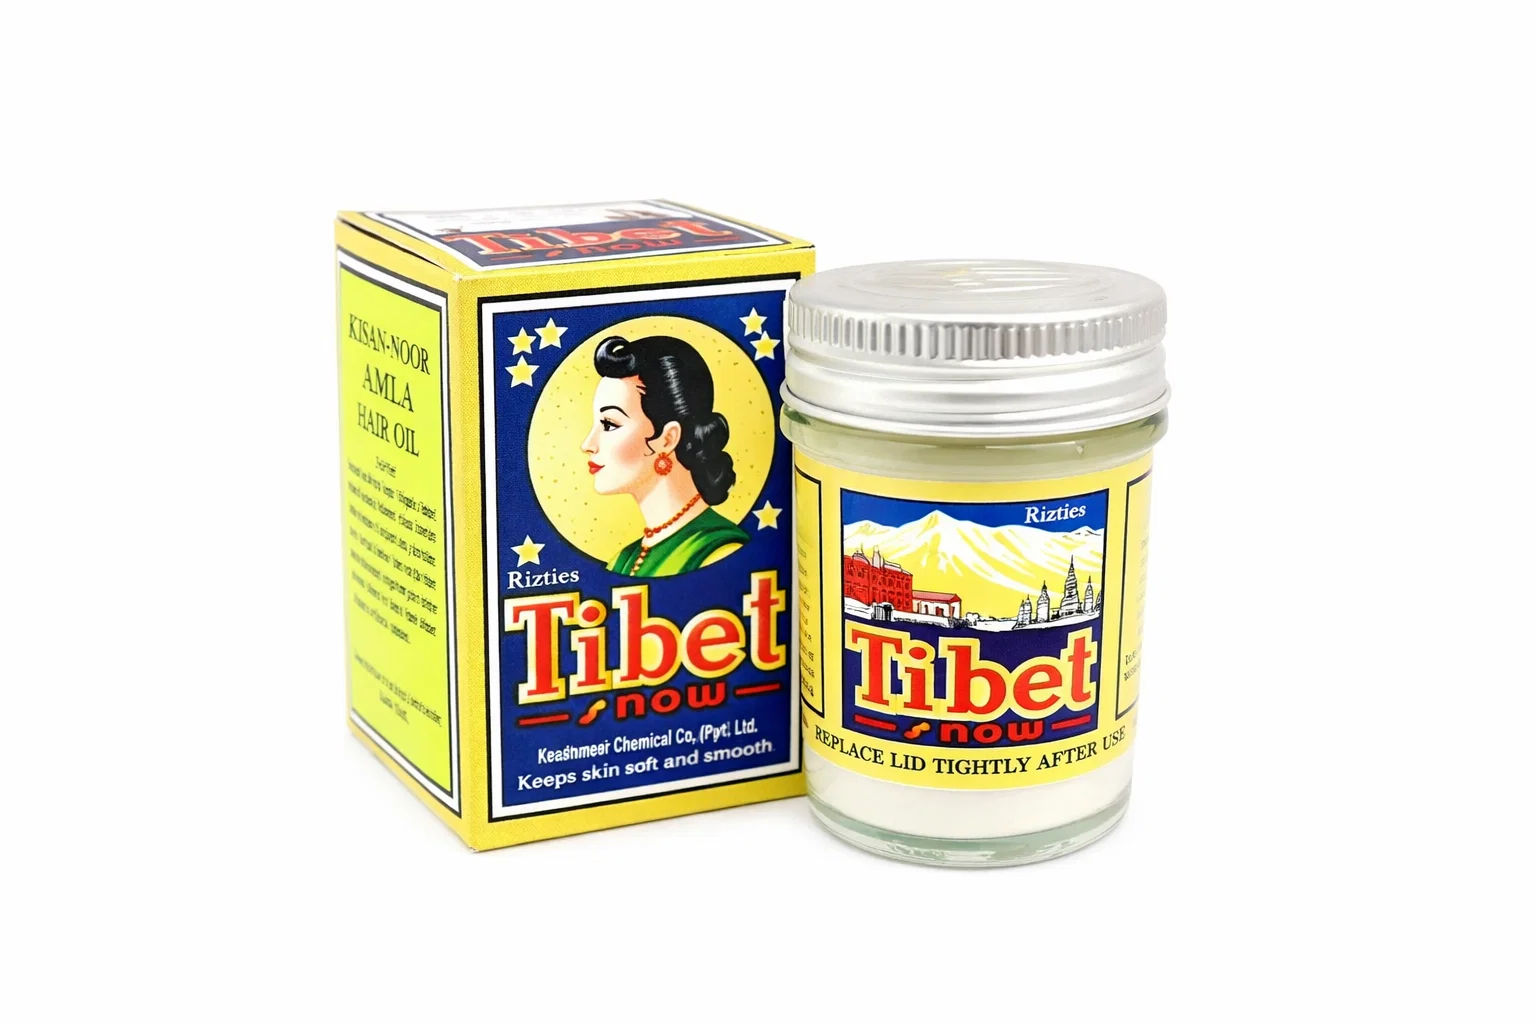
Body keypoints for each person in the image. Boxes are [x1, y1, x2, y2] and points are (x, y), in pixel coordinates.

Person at [582, 335, 750, 576]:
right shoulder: (622, 560)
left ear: (668, 439)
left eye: (609, 424)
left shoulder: (719, 552)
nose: (587, 445)